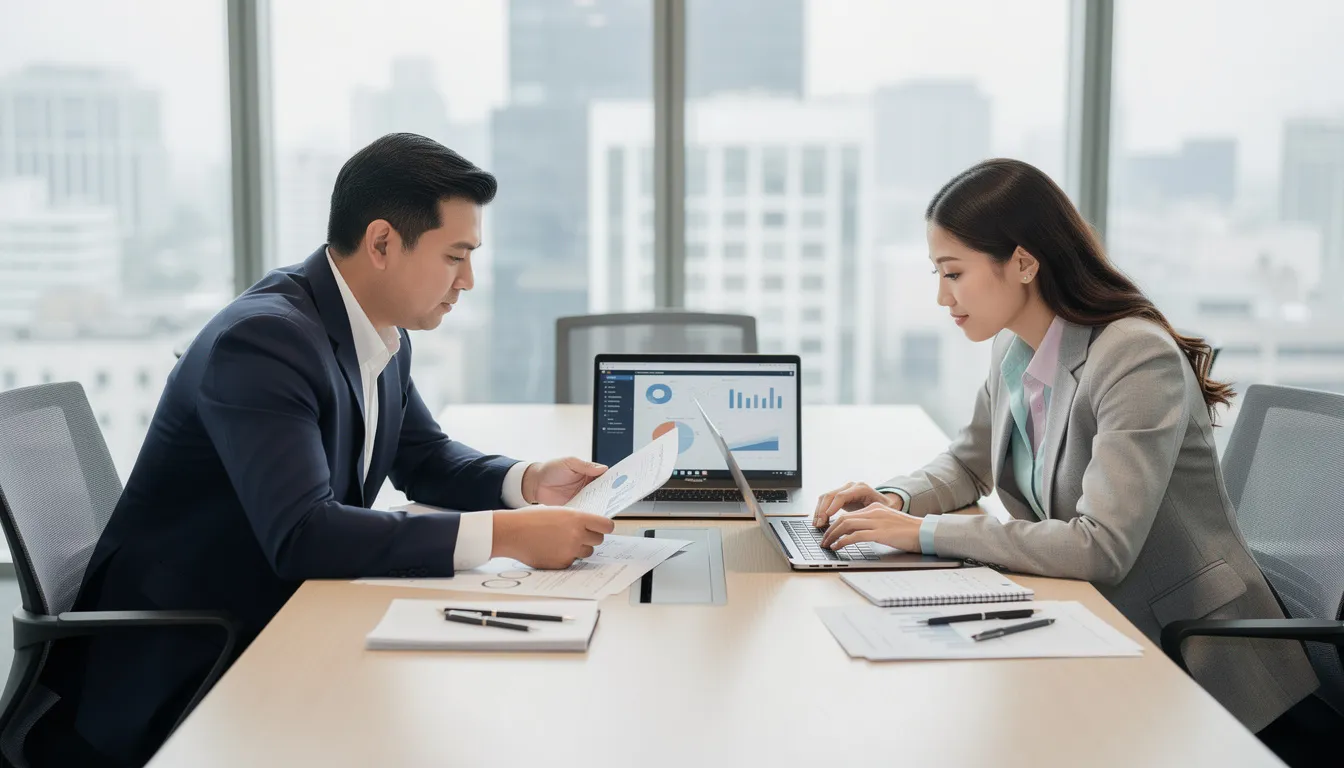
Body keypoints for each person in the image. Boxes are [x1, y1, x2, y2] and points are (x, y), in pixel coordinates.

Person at [29, 133, 616, 767]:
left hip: (282, 621)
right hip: (189, 662)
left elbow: (423, 458)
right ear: (383, 242)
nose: (468, 280)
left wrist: (530, 481)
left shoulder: (377, 330)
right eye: (456, 255)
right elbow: (303, 534)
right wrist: (506, 535)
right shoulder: (264, 342)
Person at [812, 159, 1317, 734]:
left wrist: (926, 534)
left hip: (1196, 668)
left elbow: (1101, 547)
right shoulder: (1013, 348)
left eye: (953, 274)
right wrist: (895, 500)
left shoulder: (1134, 357)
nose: (940, 297)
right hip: (1098, 624)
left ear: (1024, 262)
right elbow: (967, 463)